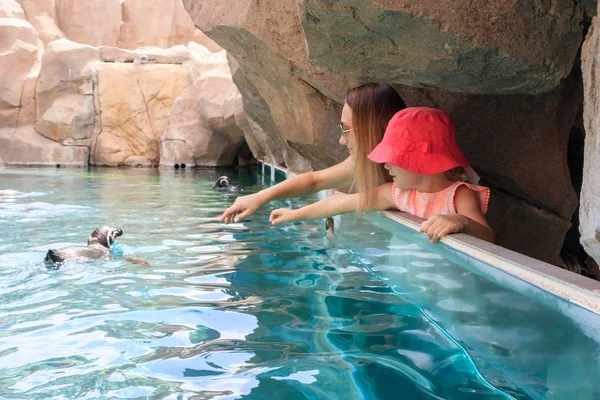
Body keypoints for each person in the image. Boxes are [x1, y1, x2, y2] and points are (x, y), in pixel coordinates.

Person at [269, 107, 495, 244]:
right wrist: (295, 214)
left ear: (419, 162)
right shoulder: (397, 194)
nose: (386, 165)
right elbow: (340, 203)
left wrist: (461, 221)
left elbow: (488, 239)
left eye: (395, 158)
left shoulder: (458, 196)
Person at [219, 83, 406, 224]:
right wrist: (259, 197)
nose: (342, 140)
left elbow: (343, 201)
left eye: (346, 130)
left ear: (370, 130)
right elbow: (315, 180)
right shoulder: (366, 162)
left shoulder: (406, 183)